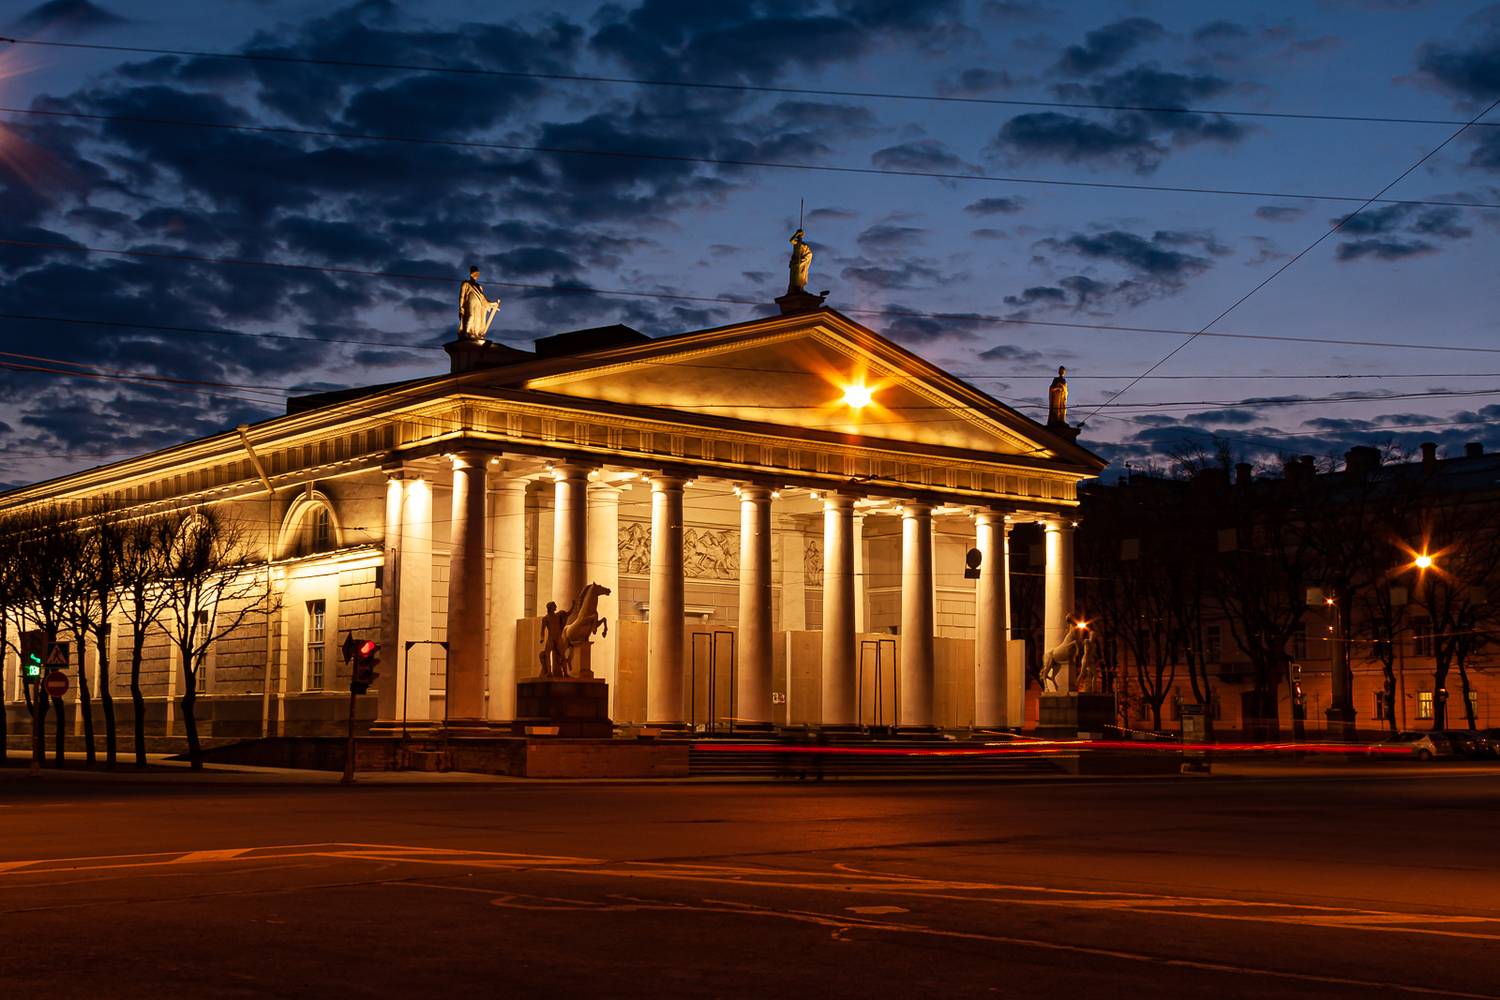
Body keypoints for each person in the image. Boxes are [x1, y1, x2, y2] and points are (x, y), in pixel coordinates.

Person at [458, 266, 501, 341]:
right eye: (476, 273)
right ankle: (466, 333)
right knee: (471, 316)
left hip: (478, 303)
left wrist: (492, 304)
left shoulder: (479, 286)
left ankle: (475, 333)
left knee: (477, 319)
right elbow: (462, 296)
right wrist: (461, 306)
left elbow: (483, 299)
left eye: (478, 274)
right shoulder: (466, 283)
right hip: (470, 301)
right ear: (471, 273)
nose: (477, 275)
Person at [787, 229, 813, 293]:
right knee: (794, 276)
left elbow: (809, 254)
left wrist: (803, 260)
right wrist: (796, 233)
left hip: (802, 263)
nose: (799, 237)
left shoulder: (805, 245)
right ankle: (793, 288)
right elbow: (791, 240)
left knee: (801, 275)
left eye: (800, 236)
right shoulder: (796, 243)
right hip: (795, 262)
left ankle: (800, 288)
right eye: (799, 236)